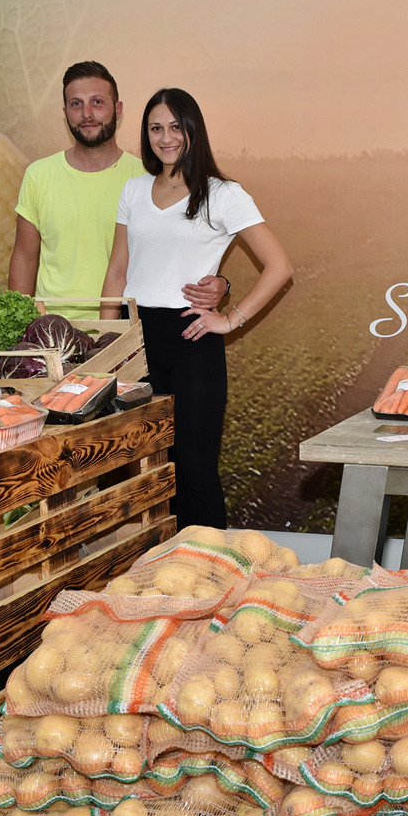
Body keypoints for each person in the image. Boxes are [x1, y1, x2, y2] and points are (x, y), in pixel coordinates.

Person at [100, 88, 293, 529]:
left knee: (195, 466)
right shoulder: (133, 190)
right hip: (134, 341)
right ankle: (155, 562)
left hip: (191, 340)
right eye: (155, 128)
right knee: (143, 468)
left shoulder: (224, 194)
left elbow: (279, 266)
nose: (165, 137)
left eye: (175, 127)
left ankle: (209, 564)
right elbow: (117, 270)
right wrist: (106, 344)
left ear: (193, 130)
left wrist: (230, 318)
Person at [8, 61, 225, 319]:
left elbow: (184, 247)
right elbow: (25, 258)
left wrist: (223, 283)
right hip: (52, 331)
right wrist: (21, 325)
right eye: (76, 104)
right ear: (65, 112)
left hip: (127, 330)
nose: (87, 114)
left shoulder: (149, 177)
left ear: (118, 109)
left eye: (97, 102)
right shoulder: (38, 175)